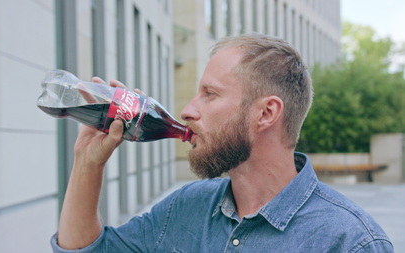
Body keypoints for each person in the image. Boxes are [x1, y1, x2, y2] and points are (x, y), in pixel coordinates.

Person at [51, 33, 393, 252]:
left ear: (266, 114)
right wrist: (87, 162)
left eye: (209, 95)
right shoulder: (185, 208)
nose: (186, 111)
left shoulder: (351, 241)